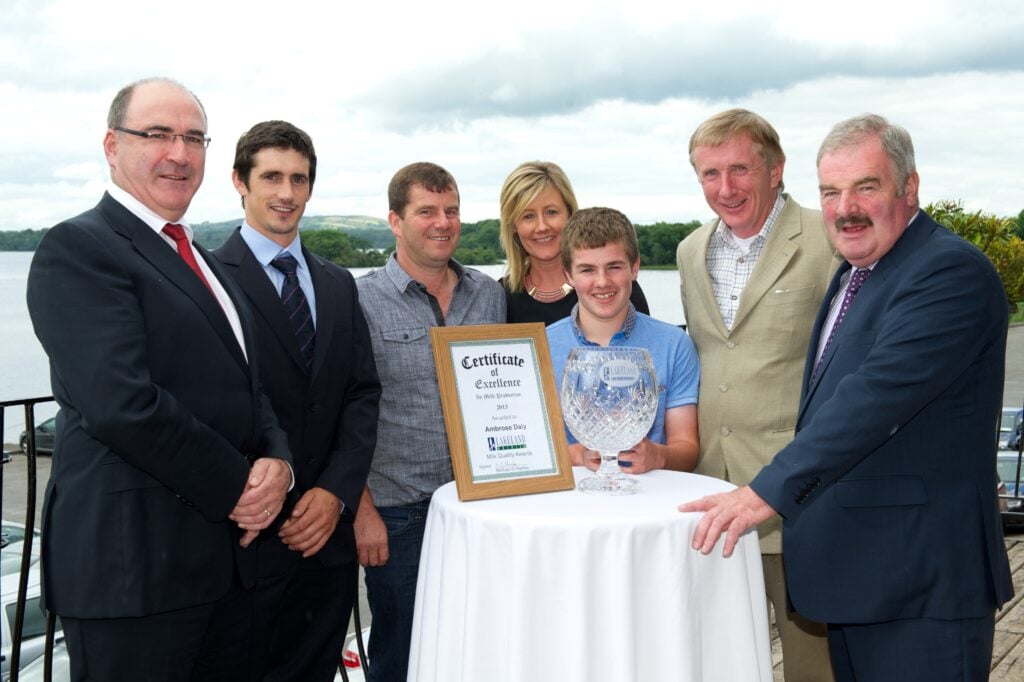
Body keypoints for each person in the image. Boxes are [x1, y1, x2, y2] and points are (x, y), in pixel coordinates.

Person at [681, 114, 1014, 681]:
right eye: (831, 192)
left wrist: (766, 490)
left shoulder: (948, 271)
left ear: (909, 187)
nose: (845, 208)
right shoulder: (859, 272)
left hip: (923, 581)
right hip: (866, 577)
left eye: (866, 186)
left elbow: (875, 398)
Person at [26, 78, 293, 680]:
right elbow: (121, 404)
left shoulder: (202, 258)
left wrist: (280, 463)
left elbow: (250, 385)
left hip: (223, 571)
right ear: (112, 145)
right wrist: (242, 492)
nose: (179, 152)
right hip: (134, 576)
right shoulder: (79, 248)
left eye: (193, 138)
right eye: (158, 134)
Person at [212, 120, 381, 681]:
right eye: (272, 177)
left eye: (299, 179)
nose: (286, 193)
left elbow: (361, 393)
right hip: (247, 540)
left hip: (328, 540)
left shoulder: (337, 283)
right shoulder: (209, 278)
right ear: (240, 181)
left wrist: (336, 493)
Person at [675, 108, 837, 680]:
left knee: (809, 659)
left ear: (776, 169)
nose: (726, 188)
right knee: (716, 653)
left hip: (794, 493)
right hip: (707, 493)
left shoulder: (827, 237)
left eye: (739, 169)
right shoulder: (691, 251)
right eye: (709, 174)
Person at [355, 162, 506, 682]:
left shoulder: (489, 295)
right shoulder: (360, 301)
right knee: (399, 651)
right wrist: (362, 511)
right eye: (426, 211)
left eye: (452, 210)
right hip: (399, 512)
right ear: (396, 221)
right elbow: (341, 414)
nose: (443, 222)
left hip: (480, 504)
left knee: (476, 644)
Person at [547, 207, 699, 473]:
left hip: (649, 502)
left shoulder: (674, 344)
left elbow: (687, 448)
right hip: (569, 505)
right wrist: (576, 454)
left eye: (614, 267)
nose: (602, 282)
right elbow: (528, 450)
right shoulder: (540, 347)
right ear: (569, 276)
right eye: (587, 270)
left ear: (635, 268)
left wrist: (658, 456)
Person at [499, 160, 650, 324]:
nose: (542, 226)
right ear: (513, 225)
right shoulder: (500, 297)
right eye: (528, 216)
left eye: (551, 212)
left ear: (570, 214)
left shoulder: (614, 289)